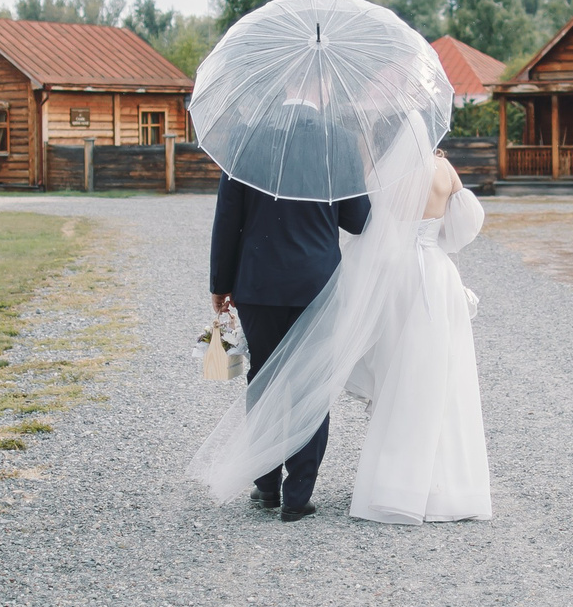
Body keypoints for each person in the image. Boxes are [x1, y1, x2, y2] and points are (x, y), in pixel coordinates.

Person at [209, 153, 370, 522]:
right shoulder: (336, 148)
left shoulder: (247, 148)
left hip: (258, 284)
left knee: (263, 380)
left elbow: (227, 219)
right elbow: (359, 220)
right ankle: (297, 495)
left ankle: (265, 485)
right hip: (316, 285)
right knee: (310, 384)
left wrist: (220, 284)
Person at [344, 151, 491, 524]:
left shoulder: (381, 170)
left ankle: (394, 482)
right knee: (441, 375)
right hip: (435, 276)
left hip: (395, 276)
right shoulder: (443, 168)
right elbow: (466, 224)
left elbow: (366, 226)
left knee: (396, 375)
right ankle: (444, 486)